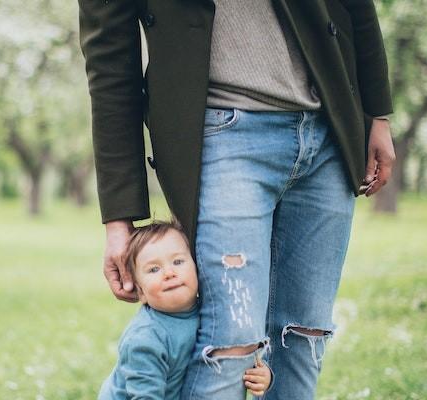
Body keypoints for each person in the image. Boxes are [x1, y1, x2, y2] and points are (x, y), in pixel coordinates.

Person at [78, 0, 396, 398]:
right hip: (221, 132)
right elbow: (109, 63)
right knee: (231, 343)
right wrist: (119, 218)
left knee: (303, 335)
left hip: (329, 127)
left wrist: (378, 114)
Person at [98, 220, 272, 399]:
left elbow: (238, 350)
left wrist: (262, 373)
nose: (169, 273)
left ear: (198, 268)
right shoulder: (145, 339)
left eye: (178, 261)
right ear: (140, 292)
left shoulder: (211, 310)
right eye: (154, 269)